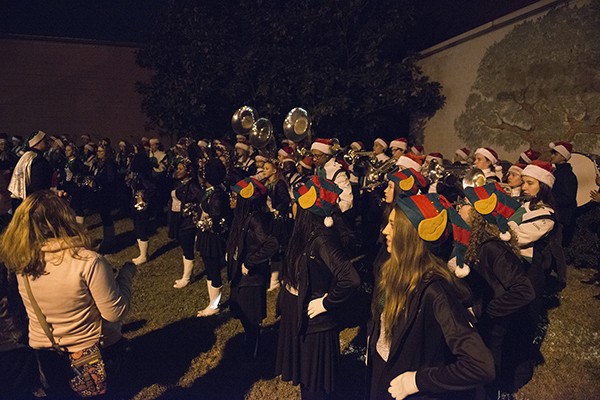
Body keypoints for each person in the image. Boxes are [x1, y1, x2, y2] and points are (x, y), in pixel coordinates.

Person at [0, 191, 135, 398]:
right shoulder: (88, 261)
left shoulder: (23, 263)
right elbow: (115, 313)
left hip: (46, 354)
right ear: (65, 218)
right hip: (91, 352)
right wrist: (125, 277)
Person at [368, 193, 495, 400]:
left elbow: (481, 365)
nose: (384, 231)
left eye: (393, 225)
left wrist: (417, 381)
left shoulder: (436, 292)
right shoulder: (392, 270)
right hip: (383, 373)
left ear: (411, 235)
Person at [276, 176, 360, 400]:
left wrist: (325, 303)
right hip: (301, 316)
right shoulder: (305, 233)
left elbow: (350, 278)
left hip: (316, 324)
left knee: (316, 386)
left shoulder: (322, 239)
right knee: (307, 379)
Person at [454, 182, 536, 398]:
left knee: (491, 367)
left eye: (465, 203)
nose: (459, 206)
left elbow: (524, 290)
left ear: (479, 214)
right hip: (490, 320)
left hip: (497, 324)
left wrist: (484, 310)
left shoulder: (492, 248)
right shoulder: (478, 242)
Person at [227, 177, 278, 358]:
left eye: (235, 197)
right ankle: (250, 340)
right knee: (241, 311)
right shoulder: (241, 217)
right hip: (240, 276)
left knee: (250, 316)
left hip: (251, 278)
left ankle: (253, 348)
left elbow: (271, 244)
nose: (231, 199)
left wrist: (250, 261)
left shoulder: (255, 220)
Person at [196, 158, 232, 315]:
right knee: (209, 267)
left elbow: (217, 216)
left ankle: (214, 305)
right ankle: (212, 301)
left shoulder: (217, 194)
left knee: (213, 268)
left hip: (213, 237)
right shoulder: (211, 192)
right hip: (207, 235)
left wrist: (208, 224)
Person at [170, 157, 203, 289]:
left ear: (188, 171)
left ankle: (187, 277)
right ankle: (189, 274)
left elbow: (199, 196)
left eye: (180, 169)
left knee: (187, 247)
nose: (177, 171)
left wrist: (191, 208)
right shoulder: (179, 182)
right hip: (178, 218)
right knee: (183, 246)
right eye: (177, 169)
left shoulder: (192, 185)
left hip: (187, 221)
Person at [263, 159, 292, 291]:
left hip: (279, 221)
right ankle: (275, 278)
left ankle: (277, 279)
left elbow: (285, 200)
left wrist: (278, 211)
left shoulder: (279, 184)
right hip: (272, 219)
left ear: (274, 170)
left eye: (267, 168)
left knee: (278, 248)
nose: (264, 171)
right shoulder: (269, 184)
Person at [8, 130, 53, 209]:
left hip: (19, 198)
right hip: (32, 201)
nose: (47, 143)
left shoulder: (27, 156)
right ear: (37, 142)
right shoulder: (38, 159)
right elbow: (37, 184)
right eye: (44, 141)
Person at [129, 144, 157, 265]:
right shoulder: (139, 174)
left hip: (141, 205)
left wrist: (143, 198)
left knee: (141, 228)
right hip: (137, 204)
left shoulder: (143, 175)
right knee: (138, 227)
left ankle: (144, 255)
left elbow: (152, 188)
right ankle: (142, 253)